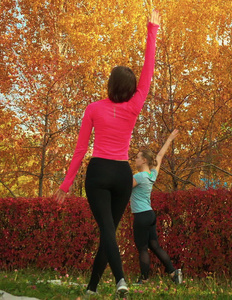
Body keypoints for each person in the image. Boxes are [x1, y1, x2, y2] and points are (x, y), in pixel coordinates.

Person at [53, 10, 161, 297]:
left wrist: (66, 184)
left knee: (107, 231)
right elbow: (149, 71)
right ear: (130, 88)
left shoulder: (93, 108)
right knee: (109, 232)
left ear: (110, 85)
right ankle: (91, 287)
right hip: (122, 175)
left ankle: (120, 280)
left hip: (99, 173)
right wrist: (152, 29)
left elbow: (79, 150)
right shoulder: (135, 105)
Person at [131, 129, 181, 285]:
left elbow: (121, 188)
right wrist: (170, 138)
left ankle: (144, 279)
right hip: (150, 215)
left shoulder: (138, 177)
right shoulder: (151, 176)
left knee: (142, 249)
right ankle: (173, 272)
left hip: (141, 215)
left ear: (144, 160)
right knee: (155, 246)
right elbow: (159, 156)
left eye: (138, 157)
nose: (135, 160)